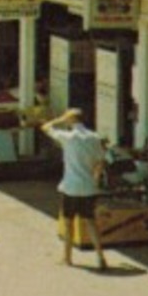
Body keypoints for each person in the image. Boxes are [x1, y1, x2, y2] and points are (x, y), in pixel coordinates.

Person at [42, 108, 110, 270]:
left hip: (70, 186)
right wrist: (95, 180)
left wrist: (59, 119)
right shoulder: (94, 138)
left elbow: (45, 127)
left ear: (70, 120)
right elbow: (100, 163)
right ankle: (100, 256)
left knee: (68, 223)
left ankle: (67, 258)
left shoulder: (68, 137)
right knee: (90, 222)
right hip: (88, 187)